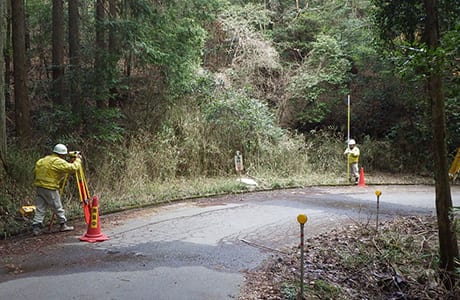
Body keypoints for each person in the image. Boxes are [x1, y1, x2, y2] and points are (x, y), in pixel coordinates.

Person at [32, 144, 82, 236]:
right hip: (50, 188)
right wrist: (78, 160)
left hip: (39, 187)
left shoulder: (43, 160)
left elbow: (36, 172)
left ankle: (36, 227)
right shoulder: (57, 161)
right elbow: (73, 168)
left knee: (40, 208)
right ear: (62, 154)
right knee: (57, 206)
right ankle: (63, 224)